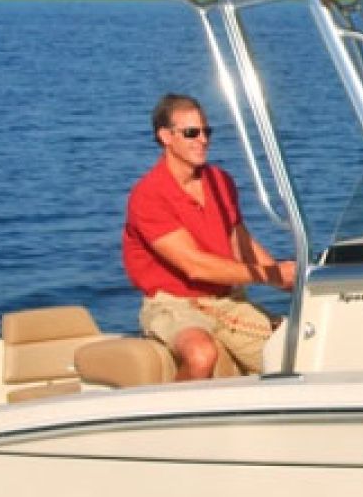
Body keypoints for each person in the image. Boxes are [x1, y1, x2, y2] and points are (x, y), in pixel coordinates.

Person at [123, 93, 296, 379]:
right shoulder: (148, 195)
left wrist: (290, 280)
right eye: (192, 133)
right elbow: (195, 266)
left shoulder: (220, 181)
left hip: (227, 302)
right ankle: (172, 408)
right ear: (166, 136)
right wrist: (269, 274)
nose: (202, 140)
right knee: (201, 353)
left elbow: (240, 242)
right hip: (175, 304)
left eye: (206, 132)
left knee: (296, 355)